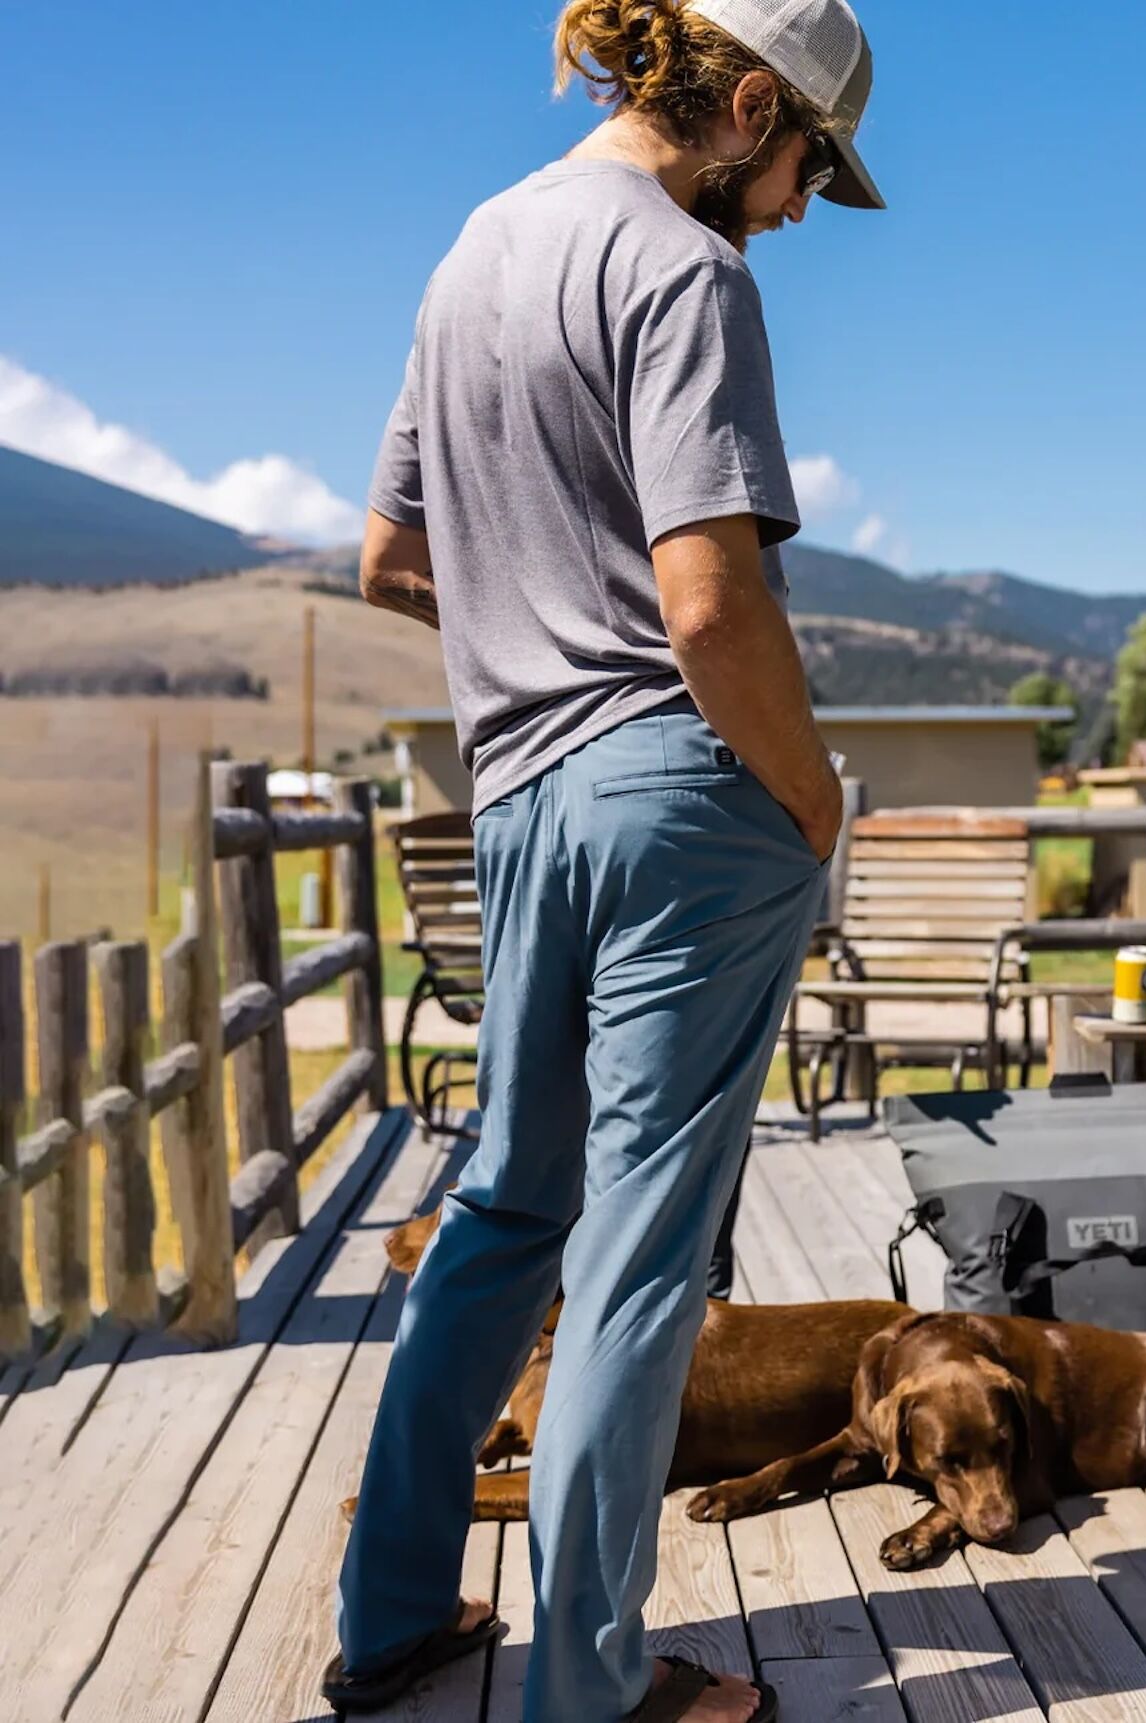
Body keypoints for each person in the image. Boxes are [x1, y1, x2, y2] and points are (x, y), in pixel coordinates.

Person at [324, 2, 885, 1718]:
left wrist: (533, 621)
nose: (795, 204)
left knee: (508, 1204)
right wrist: (811, 803)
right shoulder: (688, 273)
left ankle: (397, 1614)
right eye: (804, 163)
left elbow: (389, 557)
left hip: (520, 793)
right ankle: (592, 1683)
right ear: (742, 106)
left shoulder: (473, 252)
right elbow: (713, 606)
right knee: (644, 1244)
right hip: (678, 800)